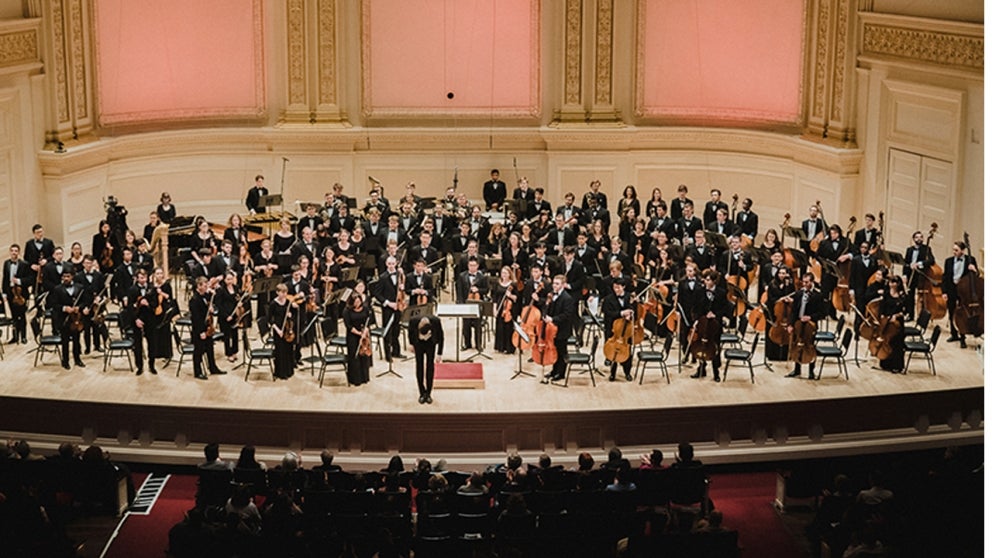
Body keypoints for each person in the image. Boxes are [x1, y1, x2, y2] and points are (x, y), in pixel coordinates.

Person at [689, 269, 730, 382]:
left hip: (715, 325)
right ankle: (701, 369)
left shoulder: (721, 292)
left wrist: (716, 314)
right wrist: (696, 319)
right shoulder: (699, 291)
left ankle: (716, 372)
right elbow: (695, 307)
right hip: (702, 323)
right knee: (701, 345)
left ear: (714, 281)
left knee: (714, 348)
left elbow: (725, 308)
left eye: (708, 280)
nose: (705, 282)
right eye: (705, 279)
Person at [786, 273, 826, 379]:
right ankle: (797, 369)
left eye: (807, 282)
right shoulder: (799, 293)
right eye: (803, 282)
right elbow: (794, 311)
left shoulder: (818, 295)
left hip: (810, 325)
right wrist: (790, 324)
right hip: (798, 324)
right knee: (797, 344)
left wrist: (810, 317)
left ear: (812, 282)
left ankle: (811, 371)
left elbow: (822, 313)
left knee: (810, 346)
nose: (804, 284)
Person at [51, 266, 90, 370]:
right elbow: (54, 305)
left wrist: (79, 307)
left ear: (72, 277)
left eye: (68, 276)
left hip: (76, 319)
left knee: (77, 340)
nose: (66, 278)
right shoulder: (57, 289)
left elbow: (85, 301)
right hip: (64, 320)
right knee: (65, 342)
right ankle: (65, 361)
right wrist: (64, 308)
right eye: (64, 277)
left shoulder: (80, 287)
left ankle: (77, 359)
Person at [942, 240, 979, 348]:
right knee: (951, 311)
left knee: (962, 315)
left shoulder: (970, 260)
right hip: (951, 290)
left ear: (962, 251)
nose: (954, 252)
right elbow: (945, 278)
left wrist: (974, 270)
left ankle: (962, 337)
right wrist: (944, 292)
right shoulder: (948, 261)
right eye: (953, 250)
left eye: (956, 250)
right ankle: (954, 334)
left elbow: (975, 277)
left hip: (963, 292)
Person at [189, 276, 225, 380]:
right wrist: (201, 332)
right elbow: (196, 319)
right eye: (204, 286)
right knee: (198, 351)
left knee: (210, 348)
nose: (206, 288)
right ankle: (197, 372)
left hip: (207, 327)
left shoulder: (205, 296)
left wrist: (211, 308)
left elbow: (212, 303)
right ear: (199, 286)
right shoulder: (194, 300)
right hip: (199, 330)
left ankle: (213, 368)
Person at [541, 274, 575, 383]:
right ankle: (554, 370)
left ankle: (561, 373)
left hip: (562, 329)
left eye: (557, 284)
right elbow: (549, 309)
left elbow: (567, 315)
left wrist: (553, 319)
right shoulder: (552, 296)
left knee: (561, 351)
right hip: (552, 329)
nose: (554, 286)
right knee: (554, 350)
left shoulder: (567, 298)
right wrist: (547, 305)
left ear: (563, 285)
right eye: (554, 283)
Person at [602, 279, 637, 381]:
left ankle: (627, 373)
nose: (616, 289)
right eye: (614, 287)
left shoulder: (629, 296)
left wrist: (630, 313)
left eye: (618, 287)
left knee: (627, 352)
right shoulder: (608, 299)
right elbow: (607, 313)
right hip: (613, 329)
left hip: (627, 330)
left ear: (623, 287)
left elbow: (634, 309)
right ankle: (612, 373)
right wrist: (621, 313)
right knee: (613, 352)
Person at [125, 268, 157, 375]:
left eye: (144, 278)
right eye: (140, 278)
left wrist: (148, 304)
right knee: (138, 344)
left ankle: (152, 365)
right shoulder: (132, 289)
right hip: (137, 319)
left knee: (152, 343)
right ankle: (139, 366)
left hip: (150, 319)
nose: (143, 280)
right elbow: (129, 307)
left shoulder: (152, 289)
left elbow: (156, 304)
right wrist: (136, 319)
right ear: (137, 279)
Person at [374, 256, 404, 360]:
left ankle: (396, 351)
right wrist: (388, 303)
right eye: (389, 264)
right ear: (386, 264)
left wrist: (402, 287)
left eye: (393, 264)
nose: (391, 266)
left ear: (396, 263)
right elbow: (377, 294)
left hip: (398, 306)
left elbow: (402, 290)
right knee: (387, 331)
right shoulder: (383, 277)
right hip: (388, 308)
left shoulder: (400, 275)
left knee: (396, 330)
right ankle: (388, 354)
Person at [456, 256, 489, 351]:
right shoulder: (462, 276)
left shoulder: (482, 277)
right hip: (466, 304)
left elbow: (486, 290)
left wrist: (478, 289)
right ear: (468, 265)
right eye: (470, 265)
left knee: (477, 325)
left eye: (474, 265)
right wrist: (461, 304)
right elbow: (460, 290)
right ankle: (467, 344)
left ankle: (478, 344)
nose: (472, 267)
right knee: (466, 325)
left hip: (477, 304)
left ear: (478, 266)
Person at [409, 315, 443, 404]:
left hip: (430, 344)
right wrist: (411, 344)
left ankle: (428, 393)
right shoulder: (413, 321)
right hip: (418, 344)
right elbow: (410, 333)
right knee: (419, 366)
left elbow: (441, 337)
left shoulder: (436, 321)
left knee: (430, 366)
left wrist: (439, 353)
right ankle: (421, 392)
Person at [903, 230, 936, 321]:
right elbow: (905, 263)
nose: (919, 239)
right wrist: (904, 275)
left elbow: (931, 261)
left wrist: (919, 263)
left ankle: (922, 316)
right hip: (911, 274)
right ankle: (910, 315)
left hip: (921, 275)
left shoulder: (926, 249)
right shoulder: (909, 250)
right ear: (913, 239)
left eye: (921, 237)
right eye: (917, 237)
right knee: (910, 295)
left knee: (922, 296)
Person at [877, 275, 907, 372]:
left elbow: (905, 311)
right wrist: (882, 316)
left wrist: (896, 316)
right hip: (887, 321)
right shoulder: (886, 293)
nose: (892, 284)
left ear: (898, 284)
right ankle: (885, 363)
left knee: (896, 343)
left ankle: (897, 365)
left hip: (897, 322)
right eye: (890, 282)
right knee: (886, 341)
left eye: (894, 282)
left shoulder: (902, 295)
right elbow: (882, 307)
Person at [268, 283, 298, 380]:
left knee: (288, 350)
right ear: (277, 292)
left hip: (287, 329)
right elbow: (269, 319)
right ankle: (280, 373)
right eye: (282, 293)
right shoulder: (273, 304)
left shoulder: (288, 302)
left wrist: (291, 314)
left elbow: (294, 315)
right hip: (278, 329)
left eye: (285, 292)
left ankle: (289, 371)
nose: (284, 295)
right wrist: (277, 330)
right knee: (280, 351)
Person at [344, 292, 373, 386]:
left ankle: (364, 377)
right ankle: (355, 379)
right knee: (354, 357)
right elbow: (348, 326)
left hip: (364, 335)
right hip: (352, 336)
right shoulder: (346, 311)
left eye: (359, 301)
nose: (357, 303)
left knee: (364, 356)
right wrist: (359, 333)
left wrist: (365, 331)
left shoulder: (365, 309)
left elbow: (368, 322)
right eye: (355, 302)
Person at [3, 244, 30, 344]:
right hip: (11, 293)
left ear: (19, 253)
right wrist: (4, 293)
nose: (14, 253)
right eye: (12, 251)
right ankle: (15, 337)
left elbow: (30, 279)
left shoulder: (24, 264)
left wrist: (19, 281)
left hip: (21, 293)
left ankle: (23, 336)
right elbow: (5, 279)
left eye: (16, 251)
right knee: (14, 317)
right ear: (10, 252)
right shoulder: (6, 264)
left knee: (22, 316)